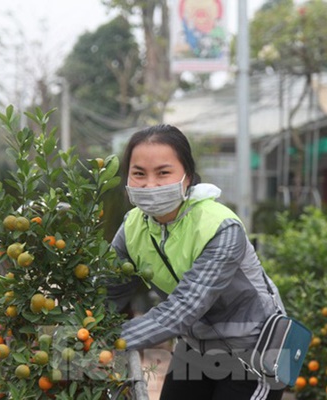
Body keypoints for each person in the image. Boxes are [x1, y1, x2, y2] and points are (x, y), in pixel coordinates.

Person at [108, 124, 286, 400]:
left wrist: (108, 339)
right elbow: (108, 290)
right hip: (197, 344)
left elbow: (183, 308)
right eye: (139, 174)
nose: (150, 184)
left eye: (163, 172)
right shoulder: (132, 228)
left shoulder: (219, 227)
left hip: (255, 349)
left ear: (187, 176)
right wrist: (73, 332)